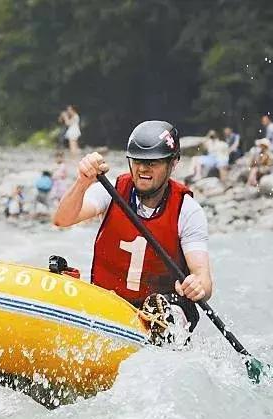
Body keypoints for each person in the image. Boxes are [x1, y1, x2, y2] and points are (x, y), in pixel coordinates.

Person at [53, 120, 213, 344]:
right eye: (138, 161)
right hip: (108, 305)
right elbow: (63, 219)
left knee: (171, 309)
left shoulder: (187, 210)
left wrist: (197, 286)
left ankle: (162, 337)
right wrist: (82, 182)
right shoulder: (111, 191)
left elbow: (203, 280)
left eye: (153, 162)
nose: (143, 169)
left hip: (159, 312)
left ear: (173, 163)